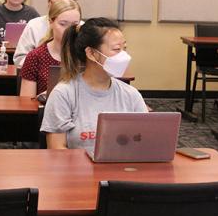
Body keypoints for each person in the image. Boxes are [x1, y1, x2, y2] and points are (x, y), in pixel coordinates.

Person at [41, 18, 148, 150]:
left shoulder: (131, 95)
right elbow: (56, 149)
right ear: (91, 53)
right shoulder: (63, 94)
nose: (123, 55)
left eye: (124, 48)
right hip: (76, 169)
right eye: (116, 49)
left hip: (120, 168)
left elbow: (144, 143)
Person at [19, 0, 82, 97]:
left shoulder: (86, 55)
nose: (69, 30)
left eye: (74, 25)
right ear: (51, 22)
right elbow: (26, 102)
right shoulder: (35, 56)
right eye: (63, 24)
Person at [13, 0, 80, 67]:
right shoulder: (34, 25)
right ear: (48, 2)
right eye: (55, 3)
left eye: (64, 4)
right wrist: (42, 66)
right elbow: (19, 59)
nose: (59, 8)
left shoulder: (82, 27)